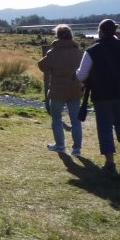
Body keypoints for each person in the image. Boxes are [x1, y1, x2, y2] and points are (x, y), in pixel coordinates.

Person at [76, 19, 120, 177]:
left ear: (100, 32)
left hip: (102, 94)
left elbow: (81, 75)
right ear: (114, 31)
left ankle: (110, 162)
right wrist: (117, 33)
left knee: (104, 127)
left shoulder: (92, 51)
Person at [36, 24, 84, 155]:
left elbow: (41, 66)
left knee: (56, 118)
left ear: (57, 36)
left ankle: (60, 146)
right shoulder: (78, 52)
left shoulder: (53, 52)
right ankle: (77, 149)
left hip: (57, 90)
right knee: (76, 120)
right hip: (75, 88)